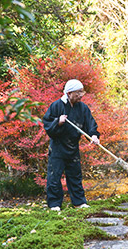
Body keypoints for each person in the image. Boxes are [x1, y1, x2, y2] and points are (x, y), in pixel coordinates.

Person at [43, 79, 100, 211]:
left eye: (82, 92)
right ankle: (54, 204)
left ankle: (79, 202)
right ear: (69, 93)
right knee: (54, 177)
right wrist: (58, 121)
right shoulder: (56, 106)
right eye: (78, 93)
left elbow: (90, 124)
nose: (81, 95)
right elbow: (47, 124)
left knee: (75, 176)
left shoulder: (83, 108)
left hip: (73, 148)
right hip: (58, 147)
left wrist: (94, 135)